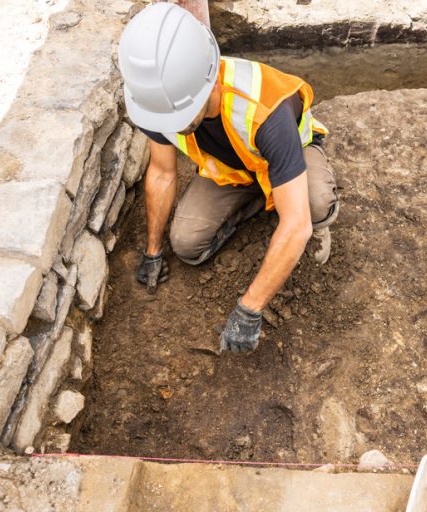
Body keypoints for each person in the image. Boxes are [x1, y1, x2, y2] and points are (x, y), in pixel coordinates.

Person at [118, 3, 339, 353]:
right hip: (235, 171)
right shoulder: (158, 102)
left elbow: (296, 225)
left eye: (182, 117)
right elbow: (161, 172)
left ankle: (308, 207)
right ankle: (257, 201)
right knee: (188, 246)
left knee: (312, 207)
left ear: (208, 83)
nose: (172, 127)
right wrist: (152, 251)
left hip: (288, 154)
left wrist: (249, 309)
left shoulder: (265, 109)